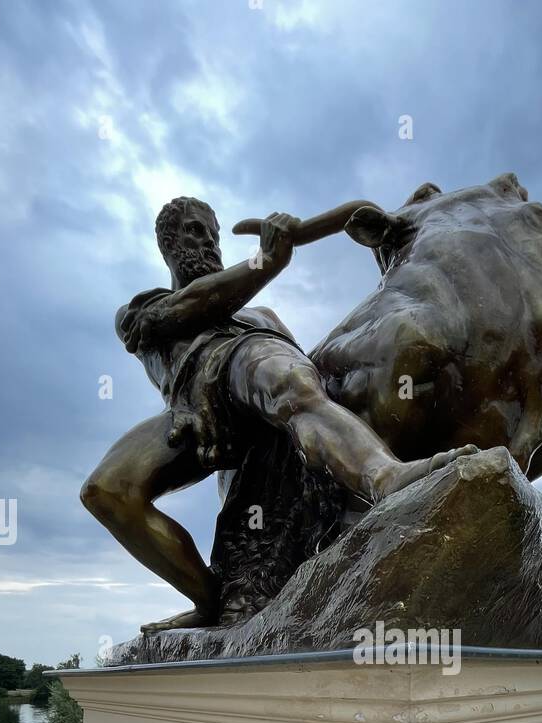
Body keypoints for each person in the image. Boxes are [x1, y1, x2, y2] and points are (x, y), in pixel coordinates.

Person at [81, 196, 474, 630]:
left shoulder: (259, 317)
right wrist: (265, 263)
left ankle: (386, 478)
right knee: (106, 491)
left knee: (283, 379)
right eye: (195, 231)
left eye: (212, 235)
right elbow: (187, 310)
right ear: (168, 244)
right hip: (198, 412)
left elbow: (309, 380)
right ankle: (211, 601)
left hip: (255, 378)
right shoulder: (142, 310)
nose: (208, 243)